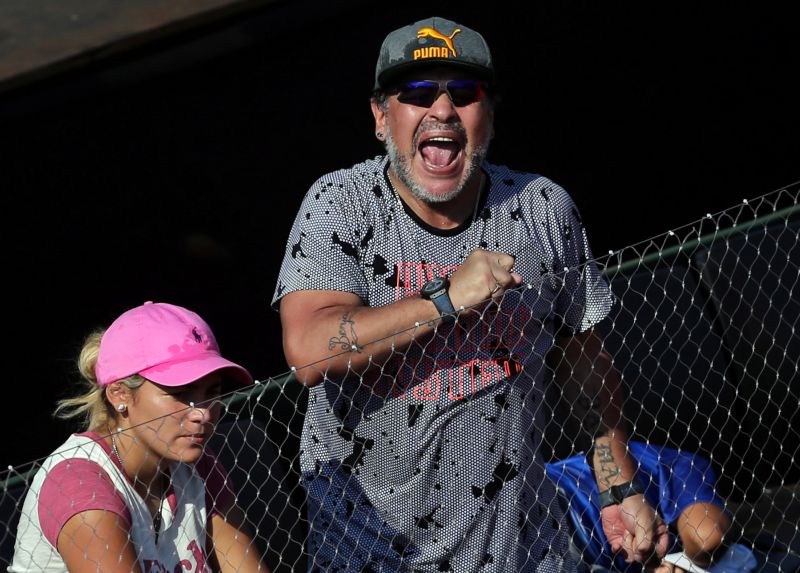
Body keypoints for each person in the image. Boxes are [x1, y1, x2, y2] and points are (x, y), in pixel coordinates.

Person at [273, 16, 667, 572]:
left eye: (463, 92)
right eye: (415, 93)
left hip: (522, 544)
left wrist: (617, 487)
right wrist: (443, 300)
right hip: (374, 544)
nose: (441, 110)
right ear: (381, 117)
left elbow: (579, 359)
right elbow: (310, 350)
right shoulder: (342, 205)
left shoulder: (539, 210)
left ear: (489, 116)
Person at [9, 301, 268, 573]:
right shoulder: (79, 484)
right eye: (180, 393)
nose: (202, 413)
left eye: (211, 392)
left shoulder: (197, 466)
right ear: (120, 394)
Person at [545, 441, 757, 573]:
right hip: (554, 500)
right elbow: (706, 537)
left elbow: (707, 538)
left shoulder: (683, 467)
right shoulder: (670, 465)